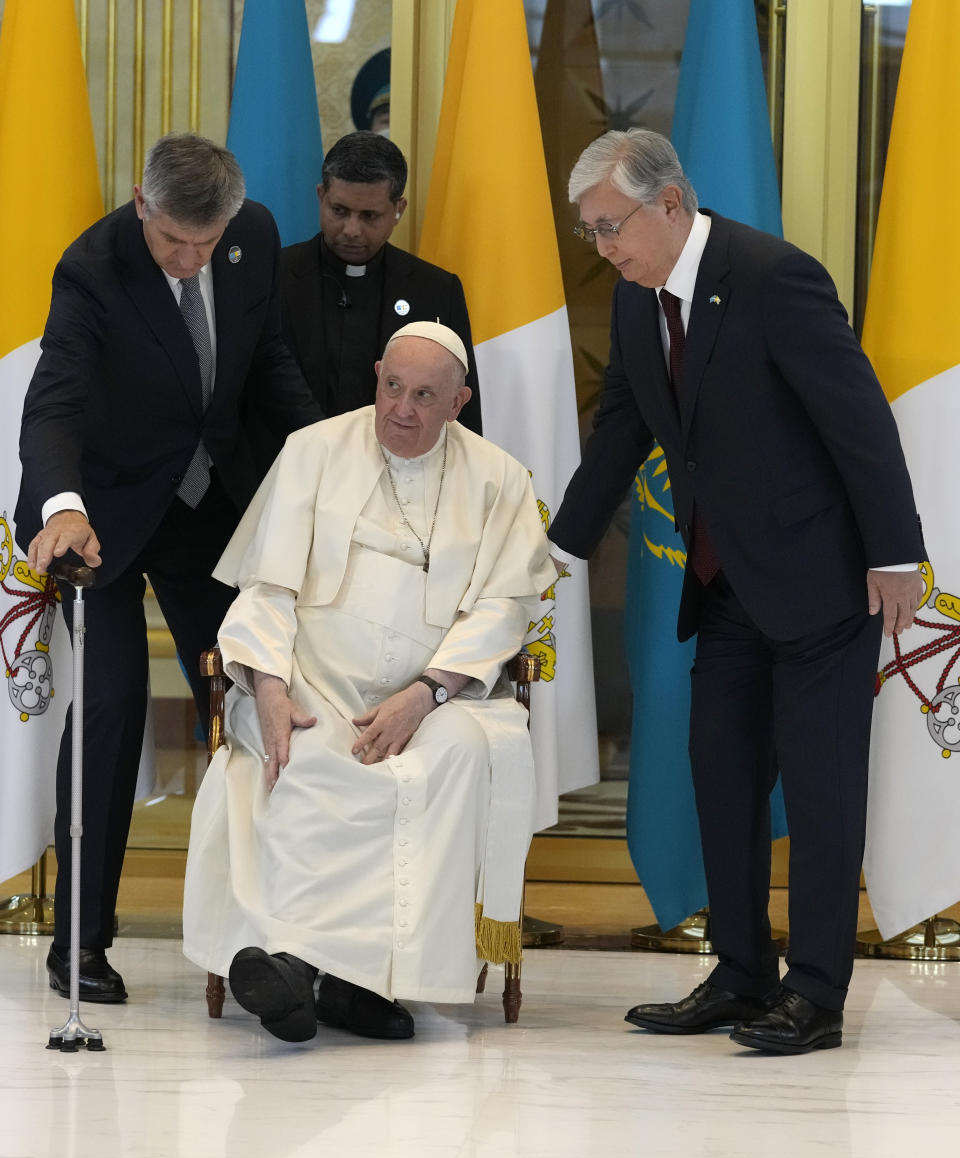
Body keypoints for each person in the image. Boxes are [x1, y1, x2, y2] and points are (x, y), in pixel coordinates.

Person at [549, 129, 925, 1055]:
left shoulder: (773, 277)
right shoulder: (640, 303)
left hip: (820, 587)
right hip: (724, 590)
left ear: (668, 203)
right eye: (588, 230)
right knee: (721, 781)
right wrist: (552, 552)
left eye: (609, 227)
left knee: (825, 794)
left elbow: (858, 418)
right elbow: (621, 435)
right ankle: (740, 971)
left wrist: (895, 553)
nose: (600, 249)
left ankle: (819, 994)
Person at [181, 322, 554, 1044]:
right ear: (376, 375)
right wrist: (270, 688)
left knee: (453, 758)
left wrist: (428, 694)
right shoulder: (313, 451)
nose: (401, 410)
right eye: (391, 387)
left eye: (424, 396)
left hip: (436, 692)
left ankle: (347, 978)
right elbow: (266, 589)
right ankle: (313, 971)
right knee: (301, 759)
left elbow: (505, 605)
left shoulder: (498, 477)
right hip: (310, 680)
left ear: (459, 401)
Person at [16, 132, 320, 1004]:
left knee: (259, 694)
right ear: (141, 204)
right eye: (172, 243)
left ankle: (278, 934)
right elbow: (56, 400)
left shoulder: (251, 235)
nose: (190, 260)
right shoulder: (92, 268)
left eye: (206, 242)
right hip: (103, 519)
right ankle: (79, 942)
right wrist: (61, 504)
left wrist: (324, 463)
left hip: (206, 510)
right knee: (112, 709)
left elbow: (264, 364)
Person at [280, 131, 482, 434]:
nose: (351, 229)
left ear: (398, 209)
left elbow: (459, 411)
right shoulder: (274, 276)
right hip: (288, 464)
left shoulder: (437, 291)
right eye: (339, 211)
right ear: (321, 196)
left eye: (369, 216)